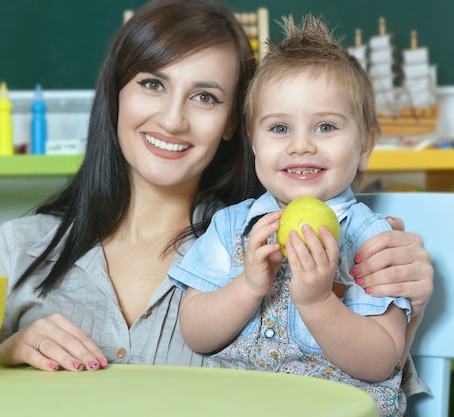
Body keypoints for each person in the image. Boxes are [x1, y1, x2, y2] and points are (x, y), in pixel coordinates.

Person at [0, 0, 432, 395]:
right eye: (153, 84)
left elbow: (374, 371)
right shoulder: (18, 248)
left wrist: (413, 304)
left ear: (234, 124)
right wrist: (1, 352)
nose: (172, 120)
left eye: (206, 97)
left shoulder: (248, 243)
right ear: (116, 96)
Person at [169, 15, 412, 416]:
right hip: (238, 405)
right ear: (253, 143)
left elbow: (382, 360)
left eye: (325, 127)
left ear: (366, 144)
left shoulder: (373, 240)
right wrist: (247, 286)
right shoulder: (231, 227)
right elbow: (196, 334)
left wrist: (318, 302)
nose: (301, 145)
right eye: (279, 128)